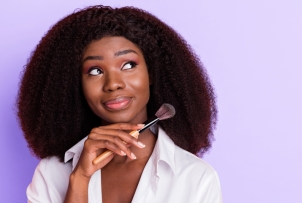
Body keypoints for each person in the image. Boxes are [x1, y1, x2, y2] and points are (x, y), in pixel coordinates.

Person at [17, 5, 222, 203]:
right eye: (95, 71)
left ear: (151, 73)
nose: (113, 84)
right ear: (76, 85)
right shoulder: (51, 173)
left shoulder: (197, 179)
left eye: (128, 65)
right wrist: (79, 179)